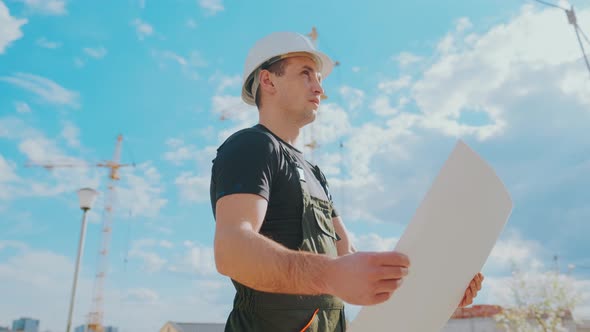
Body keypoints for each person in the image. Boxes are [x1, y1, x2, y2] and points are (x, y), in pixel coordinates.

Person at [209, 31, 483, 332]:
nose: (319, 88)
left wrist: (436, 294)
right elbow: (231, 249)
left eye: (320, 79)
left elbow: (349, 262)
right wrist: (329, 275)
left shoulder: (314, 173)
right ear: (268, 81)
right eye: (305, 74)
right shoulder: (252, 147)